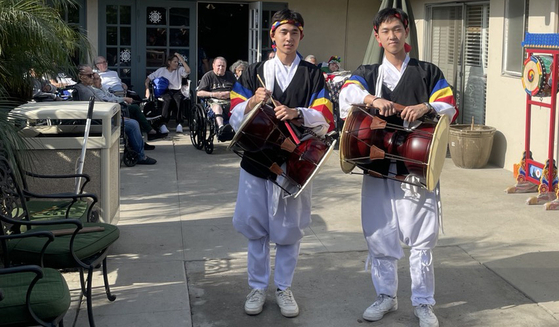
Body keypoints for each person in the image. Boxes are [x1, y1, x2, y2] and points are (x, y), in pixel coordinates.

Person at [338, 8, 456, 327]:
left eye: (397, 29)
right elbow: (346, 94)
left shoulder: (427, 71)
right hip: (377, 165)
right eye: (386, 30)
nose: (392, 35)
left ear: (406, 34)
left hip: (416, 167)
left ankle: (422, 302)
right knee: (380, 234)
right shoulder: (368, 72)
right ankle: (386, 297)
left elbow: (449, 102)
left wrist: (427, 106)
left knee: (421, 238)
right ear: (377, 37)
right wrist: (371, 100)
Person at [229, 9, 334, 318]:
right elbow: (234, 112)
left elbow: (326, 115)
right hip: (256, 160)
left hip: (295, 162)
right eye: (283, 32)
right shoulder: (254, 72)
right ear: (272, 36)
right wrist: (250, 102)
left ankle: (284, 287)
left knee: (290, 231)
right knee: (257, 229)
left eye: (295, 33)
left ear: (301, 36)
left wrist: (298, 113)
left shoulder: (313, 74)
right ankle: (258, 287)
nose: (289, 38)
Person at [75, 65, 156, 165]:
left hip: (103, 117)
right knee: (133, 124)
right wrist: (116, 116)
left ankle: (139, 146)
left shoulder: (87, 88)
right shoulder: (85, 91)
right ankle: (140, 156)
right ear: (81, 76)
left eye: (93, 75)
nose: (93, 77)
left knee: (132, 115)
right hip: (101, 120)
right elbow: (100, 107)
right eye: (90, 75)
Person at [91, 73, 162, 144]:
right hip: (113, 110)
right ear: (92, 81)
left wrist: (123, 99)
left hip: (117, 105)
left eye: (99, 78)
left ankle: (141, 141)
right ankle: (148, 132)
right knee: (134, 109)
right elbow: (108, 100)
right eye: (97, 79)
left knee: (134, 112)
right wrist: (124, 99)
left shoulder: (101, 88)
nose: (100, 80)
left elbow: (112, 96)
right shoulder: (95, 91)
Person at [144, 53, 191, 134]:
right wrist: (147, 89)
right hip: (165, 90)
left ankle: (179, 123)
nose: (177, 64)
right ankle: (163, 124)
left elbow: (188, 71)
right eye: (175, 62)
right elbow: (148, 79)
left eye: (177, 62)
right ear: (169, 62)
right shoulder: (161, 70)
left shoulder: (179, 70)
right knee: (167, 99)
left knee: (179, 99)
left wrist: (180, 58)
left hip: (177, 90)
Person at [196, 56, 237, 140]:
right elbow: (199, 93)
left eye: (223, 66)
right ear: (213, 65)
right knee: (217, 107)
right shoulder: (208, 76)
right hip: (214, 101)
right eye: (218, 65)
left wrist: (231, 94)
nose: (221, 68)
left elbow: (239, 90)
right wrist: (215, 94)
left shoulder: (230, 76)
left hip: (230, 101)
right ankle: (221, 128)